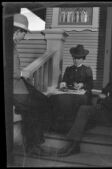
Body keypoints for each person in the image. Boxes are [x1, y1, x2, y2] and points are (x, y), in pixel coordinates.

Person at [57, 54, 112, 165]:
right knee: (84, 109)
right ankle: (74, 144)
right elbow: (100, 97)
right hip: (107, 114)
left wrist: (106, 99)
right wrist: (104, 100)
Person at [13, 14, 51, 155]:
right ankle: (33, 145)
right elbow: (12, 72)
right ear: (17, 32)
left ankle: (34, 144)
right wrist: (23, 74)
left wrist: (21, 74)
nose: (25, 37)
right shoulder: (9, 47)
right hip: (14, 88)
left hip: (18, 85)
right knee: (36, 106)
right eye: (24, 33)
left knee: (42, 101)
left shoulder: (12, 45)